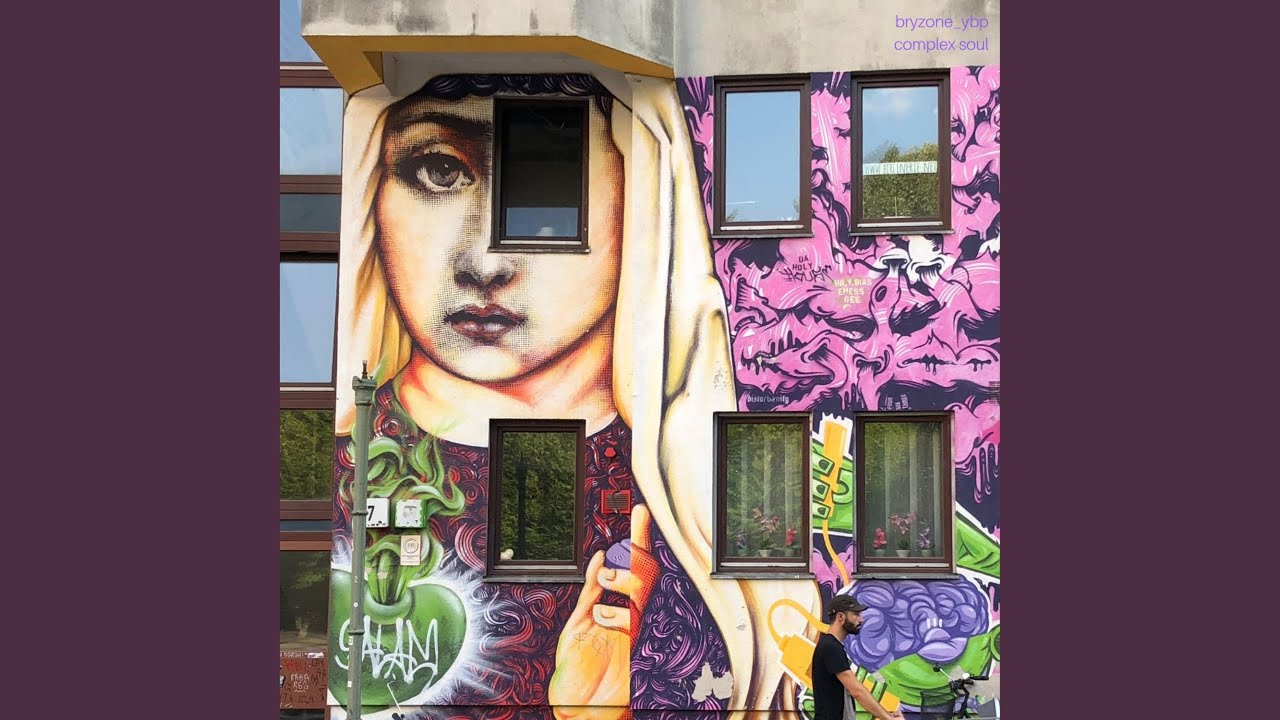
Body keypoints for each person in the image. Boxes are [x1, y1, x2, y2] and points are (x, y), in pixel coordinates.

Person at [331, 73, 823, 718]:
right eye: (440, 171)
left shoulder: (697, 510)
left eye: (548, 189)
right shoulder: (344, 469)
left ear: (641, 194)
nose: (484, 263)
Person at [812, 595, 904, 720]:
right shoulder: (830, 647)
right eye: (856, 614)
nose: (861, 619)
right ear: (840, 617)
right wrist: (888, 718)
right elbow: (857, 691)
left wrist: (887, 715)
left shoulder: (831, 645)